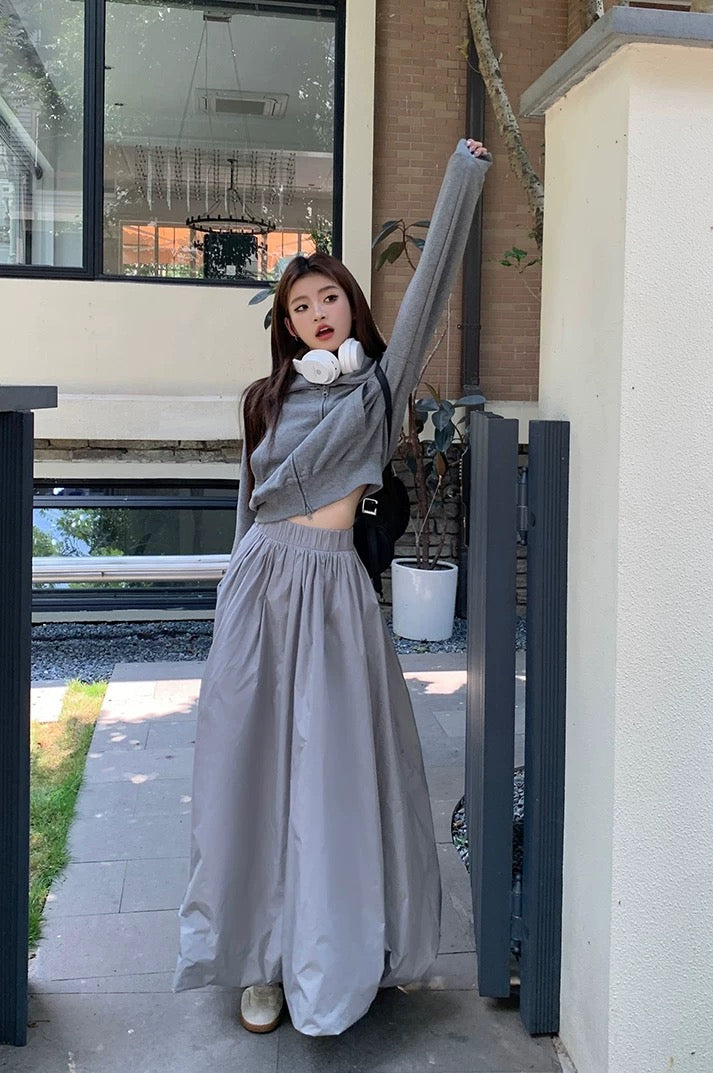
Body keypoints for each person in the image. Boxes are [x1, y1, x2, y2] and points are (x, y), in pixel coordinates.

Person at [172, 137, 492, 1037]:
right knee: (250, 773)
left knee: (337, 779)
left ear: (352, 304)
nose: (317, 313)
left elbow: (427, 296)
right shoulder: (263, 398)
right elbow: (246, 509)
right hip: (259, 588)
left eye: (330, 298)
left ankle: (338, 949)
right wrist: (230, 614)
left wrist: (462, 176)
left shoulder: (377, 396)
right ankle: (259, 960)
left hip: (335, 592)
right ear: (285, 324)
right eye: (301, 305)